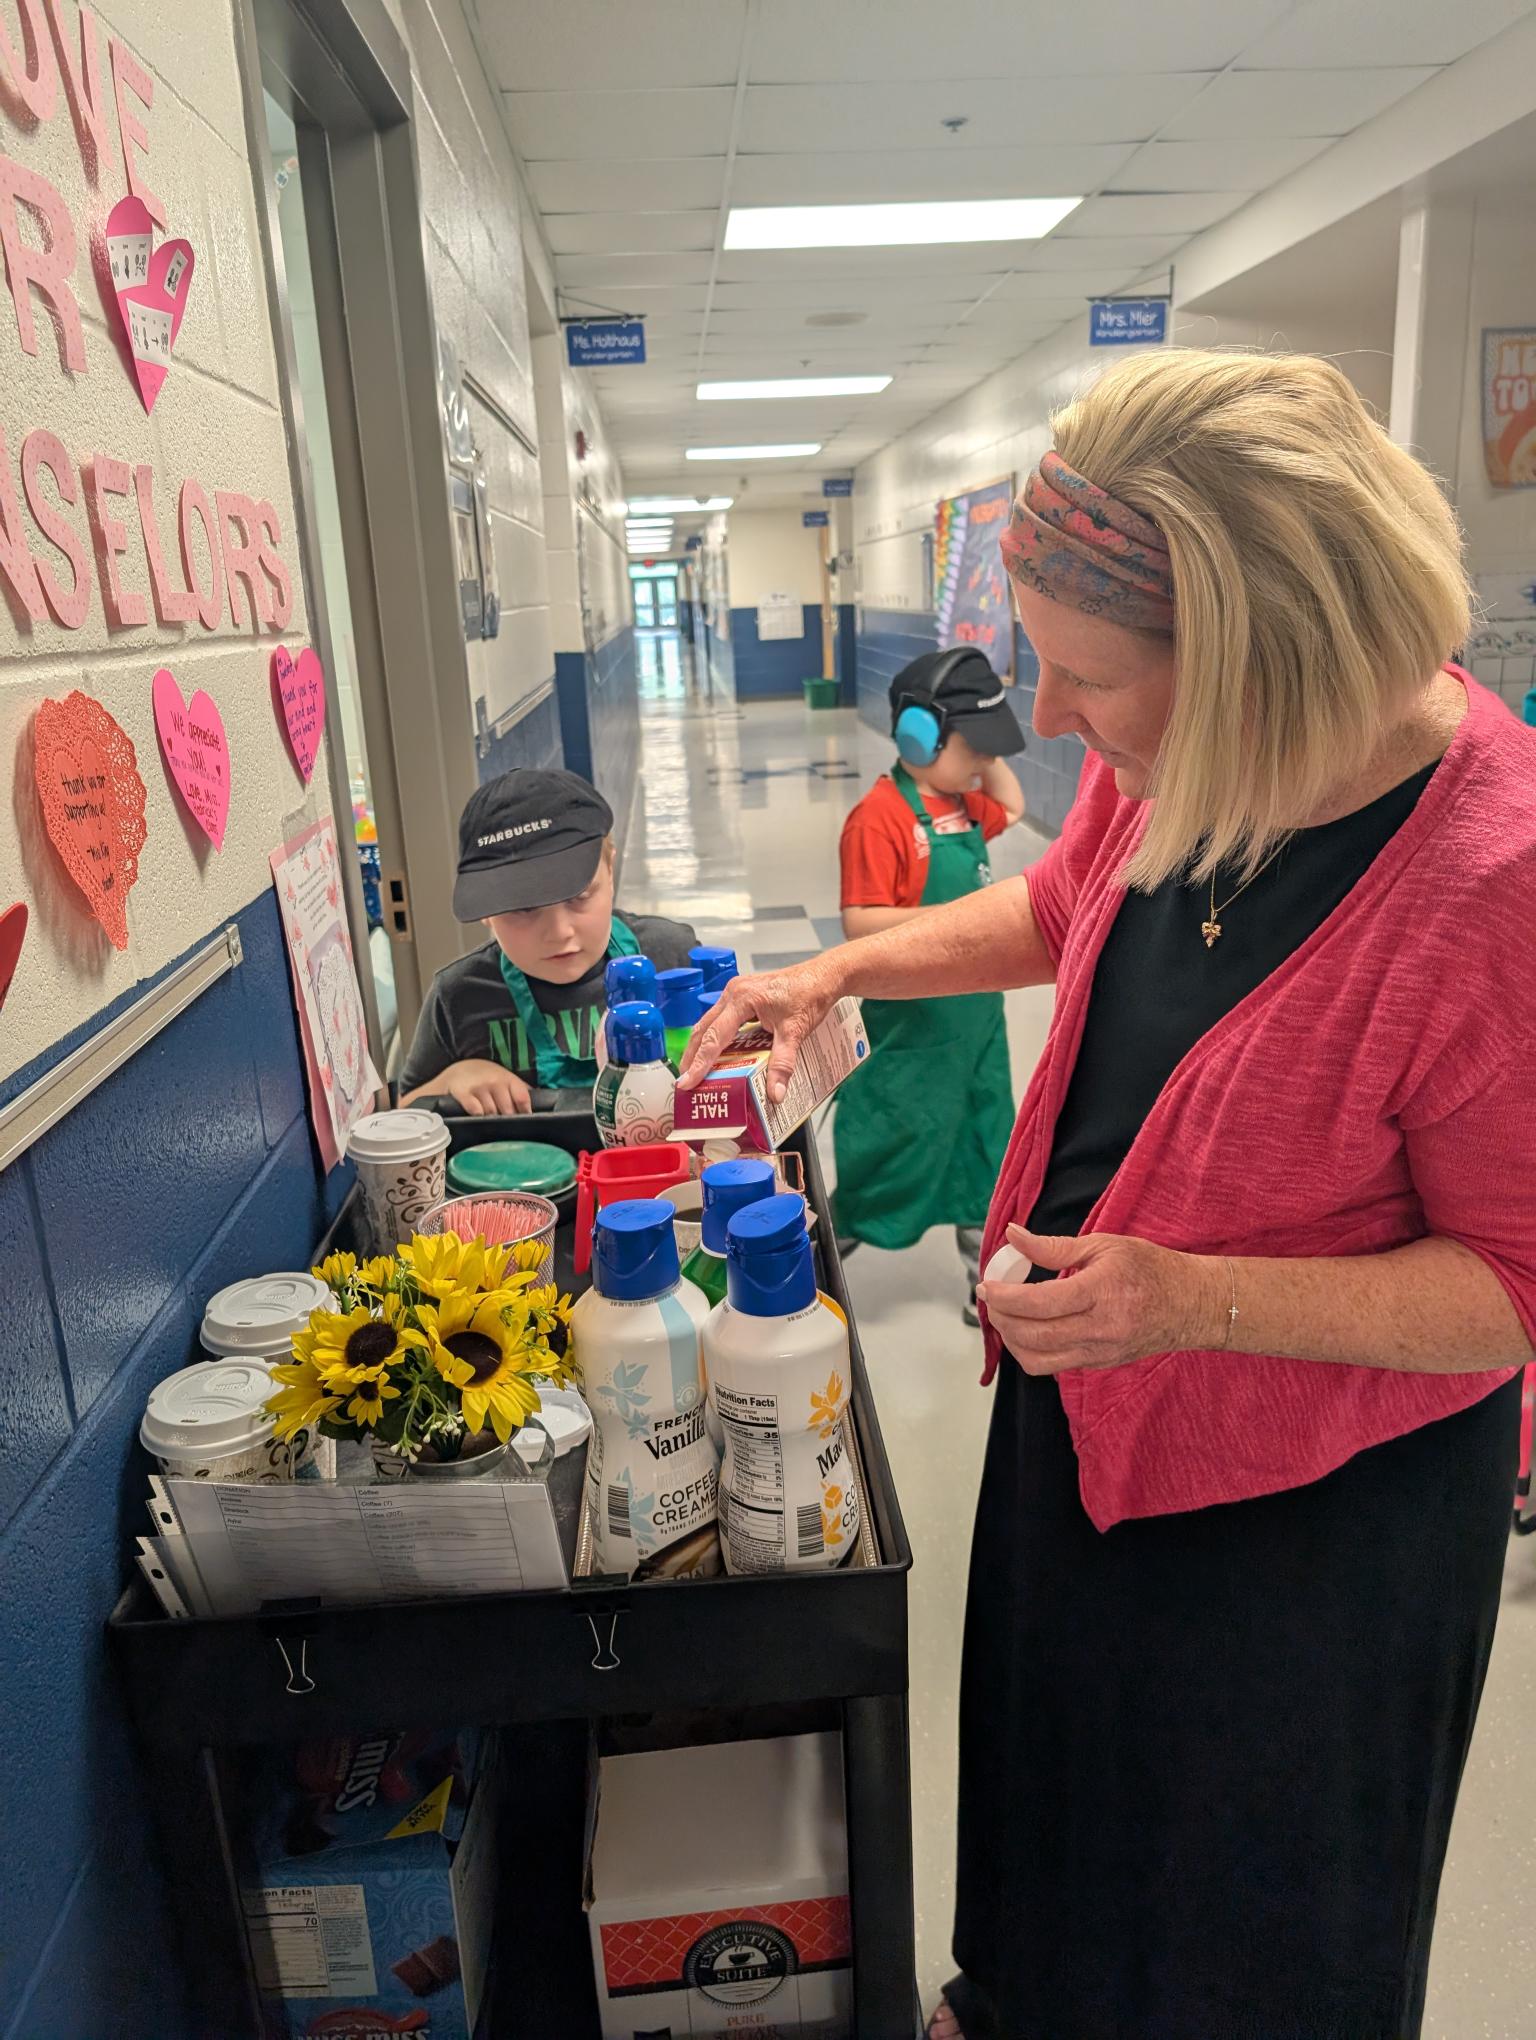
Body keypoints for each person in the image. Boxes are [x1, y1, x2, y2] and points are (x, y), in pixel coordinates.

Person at [679, 349, 1536, 2040]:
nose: (1051, 719)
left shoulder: (1489, 885)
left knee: (1243, 1912)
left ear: (1266, 661)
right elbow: (1060, 909)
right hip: (1094, 1404)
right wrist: (839, 968)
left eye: (1088, 676)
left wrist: (1196, 1300)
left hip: (1309, 1521)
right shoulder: (1195, 763)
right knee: (1065, 1794)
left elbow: (1513, 1284)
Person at [833, 648, 1026, 1321]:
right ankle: (826, 1248)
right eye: (974, 746)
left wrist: (983, 745)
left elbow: (1014, 803)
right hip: (912, 1029)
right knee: (892, 1144)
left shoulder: (966, 803)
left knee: (985, 1142)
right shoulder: (879, 818)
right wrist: (959, 919)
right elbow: (860, 923)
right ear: (919, 736)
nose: (986, 760)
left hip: (976, 1021)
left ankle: (984, 1277)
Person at [400, 768, 696, 1113]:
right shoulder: (457, 996)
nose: (559, 932)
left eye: (579, 896)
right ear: (486, 910)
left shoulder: (673, 959)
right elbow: (405, 1110)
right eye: (523, 909)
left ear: (610, 871)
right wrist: (454, 1077)